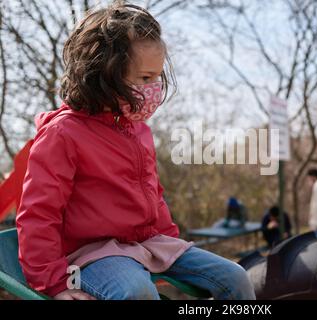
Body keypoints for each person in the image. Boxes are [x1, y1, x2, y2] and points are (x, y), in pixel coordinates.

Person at [16, 4, 255, 300]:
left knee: (236, 277)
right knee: (137, 293)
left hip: (148, 243)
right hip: (92, 254)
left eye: (157, 77)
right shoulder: (62, 134)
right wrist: (54, 283)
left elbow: (153, 193)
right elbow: (39, 213)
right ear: (104, 74)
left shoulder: (139, 129)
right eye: (144, 78)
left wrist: (171, 243)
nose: (154, 88)